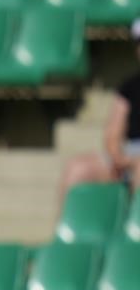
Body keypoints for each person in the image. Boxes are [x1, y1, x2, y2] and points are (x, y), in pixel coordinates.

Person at [60, 18, 140, 199]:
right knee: (77, 169)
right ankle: (65, 226)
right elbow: (113, 134)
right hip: (131, 153)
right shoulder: (129, 88)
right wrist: (118, 158)